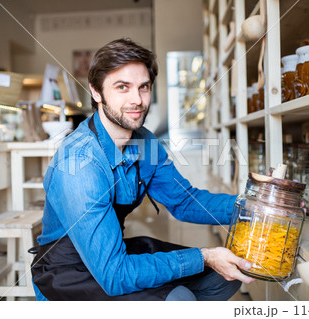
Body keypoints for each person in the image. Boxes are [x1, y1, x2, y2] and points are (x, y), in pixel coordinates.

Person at [30, 38, 255, 301]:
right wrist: (204, 256)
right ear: (96, 91)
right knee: (180, 298)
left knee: (224, 278)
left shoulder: (145, 141)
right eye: (122, 87)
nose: (137, 100)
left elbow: (184, 201)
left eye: (144, 87)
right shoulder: (79, 165)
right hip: (67, 273)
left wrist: (252, 208)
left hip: (111, 254)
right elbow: (115, 276)